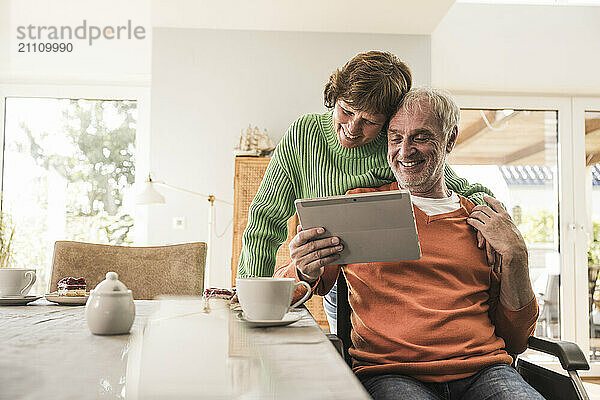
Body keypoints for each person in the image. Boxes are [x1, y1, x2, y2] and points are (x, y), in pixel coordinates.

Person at [274, 87, 543, 400]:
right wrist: (302, 269)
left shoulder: (485, 223)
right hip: (391, 374)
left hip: (485, 372)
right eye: (395, 137)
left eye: (421, 137)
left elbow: (516, 341)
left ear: (450, 139)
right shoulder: (357, 208)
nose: (404, 151)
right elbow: (288, 296)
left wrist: (517, 257)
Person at [238, 51, 494, 333]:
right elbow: (265, 219)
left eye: (369, 122)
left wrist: (492, 217)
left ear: (386, 123)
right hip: (330, 275)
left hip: (386, 279)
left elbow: (459, 189)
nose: (351, 128)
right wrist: (251, 294)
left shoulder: (394, 146)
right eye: (346, 110)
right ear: (334, 97)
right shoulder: (303, 134)